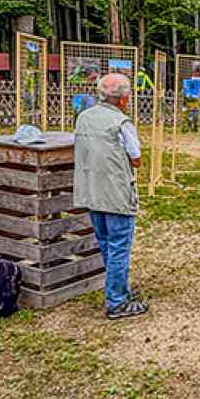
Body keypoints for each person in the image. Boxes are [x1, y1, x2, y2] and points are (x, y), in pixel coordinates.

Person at [73, 73, 147, 319]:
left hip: (91, 192)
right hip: (116, 194)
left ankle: (119, 290)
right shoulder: (122, 122)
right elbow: (136, 159)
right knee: (118, 247)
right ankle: (116, 302)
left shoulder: (83, 118)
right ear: (124, 99)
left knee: (106, 244)